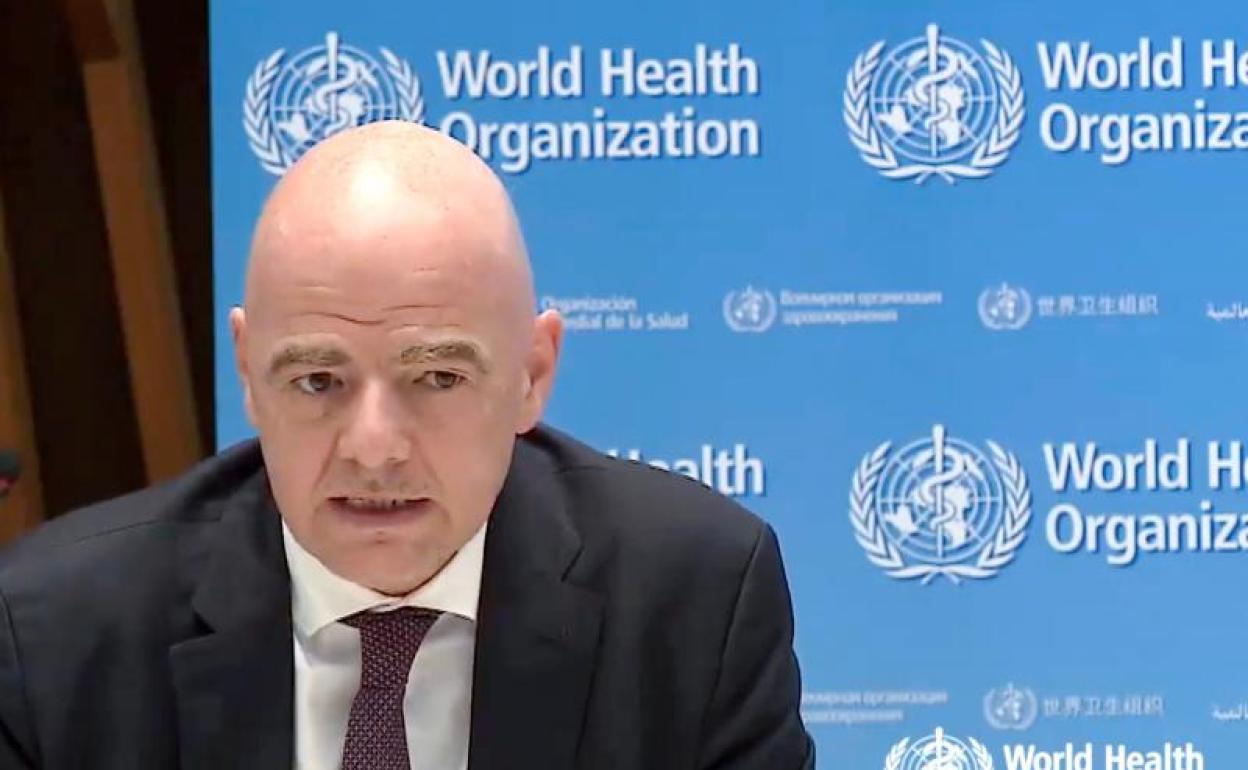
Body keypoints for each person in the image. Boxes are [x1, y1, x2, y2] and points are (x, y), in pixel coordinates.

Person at [0, 121, 814, 769]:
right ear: (248, 374)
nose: (374, 449)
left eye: (437, 378)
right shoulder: (57, 635)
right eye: (318, 380)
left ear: (532, 375)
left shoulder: (692, 602)